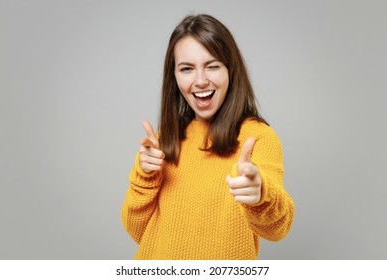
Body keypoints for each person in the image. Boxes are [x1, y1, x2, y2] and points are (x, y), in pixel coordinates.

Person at [121, 14, 295, 260]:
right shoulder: (166, 140)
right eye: (187, 69)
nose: (201, 81)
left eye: (212, 66)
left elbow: (279, 229)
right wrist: (144, 177)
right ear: (175, 78)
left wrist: (261, 195)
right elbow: (139, 232)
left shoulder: (258, 137)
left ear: (230, 71)